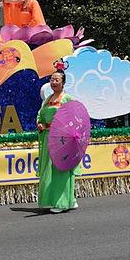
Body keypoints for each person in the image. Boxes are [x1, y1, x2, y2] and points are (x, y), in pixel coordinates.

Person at [36, 70, 78, 212]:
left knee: (61, 169)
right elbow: (40, 115)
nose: (53, 82)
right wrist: (40, 124)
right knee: (49, 169)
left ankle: (62, 202)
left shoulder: (67, 99)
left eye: (57, 80)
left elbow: (75, 119)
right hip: (49, 137)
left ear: (63, 83)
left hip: (62, 139)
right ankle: (62, 200)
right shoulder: (48, 100)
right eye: (52, 79)